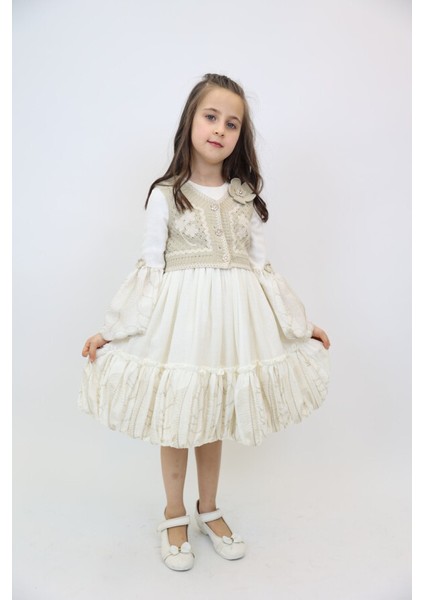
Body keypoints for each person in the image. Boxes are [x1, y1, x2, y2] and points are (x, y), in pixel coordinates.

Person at [79, 73, 331, 572]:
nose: (220, 129)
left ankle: (208, 507)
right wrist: (112, 330)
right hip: (181, 325)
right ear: (190, 122)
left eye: (232, 123)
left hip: (230, 328)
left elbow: (262, 269)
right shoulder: (167, 193)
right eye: (211, 117)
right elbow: (150, 267)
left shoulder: (245, 198)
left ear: (241, 136)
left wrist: (300, 326)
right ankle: (173, 513)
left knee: (212, 414)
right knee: (178, 417)